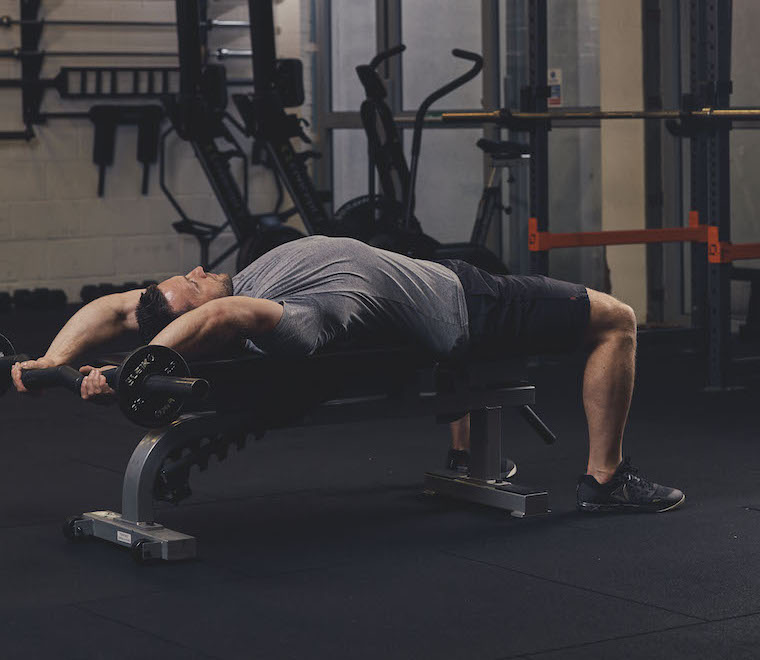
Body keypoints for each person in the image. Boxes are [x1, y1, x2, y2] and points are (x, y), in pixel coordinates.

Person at [11, 235, 684, 514]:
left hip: (441, 285)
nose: (194, 271)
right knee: (616, 319)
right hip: (471, 306)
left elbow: (116, 306)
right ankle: (606, 479)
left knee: (469, 251)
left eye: (185, 275)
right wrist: (137, 368)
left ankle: (466, 457)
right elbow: (224, 320)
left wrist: (53, 361)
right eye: (193, 285)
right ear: (214, 316)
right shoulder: (284, 317)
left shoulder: (233, 289)